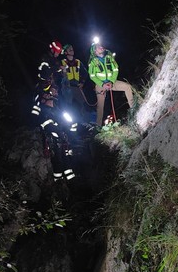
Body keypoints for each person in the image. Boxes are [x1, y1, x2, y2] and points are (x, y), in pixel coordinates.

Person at [31, 41, 77, 182]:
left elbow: (56, 71)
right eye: (57, 51)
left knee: (65, 136)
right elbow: (44, 81)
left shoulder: (52, 63)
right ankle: (59, 177)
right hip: (47, 119)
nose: (58, 54)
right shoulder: (44, 67)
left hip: (53, 113)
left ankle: (68, 174)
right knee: (57, 142)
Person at [88, 39, 134, 126]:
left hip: (111, 82)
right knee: (100, 106)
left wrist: (111, 81)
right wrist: (102, 84)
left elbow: (115, 69)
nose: (101, 47)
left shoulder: (109, 57)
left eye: (101, 46)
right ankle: (98, 127)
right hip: (100, 85)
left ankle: (133, 109)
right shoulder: (92, 62)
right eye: (98, 47)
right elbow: (92, 76)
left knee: (127, 86)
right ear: (95, 51)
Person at [61, 44, 89, 121]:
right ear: (65, 52)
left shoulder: (78, 62)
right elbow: (57, 76)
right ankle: (71, 124)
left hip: (77, 86)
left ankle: (87, 124)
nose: (71, 49)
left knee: (82, 105)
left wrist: (82, 83)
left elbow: (85, 73)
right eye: (69, 49)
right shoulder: (62, 62)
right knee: (69, 107)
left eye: (72, 48)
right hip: (67, 87)